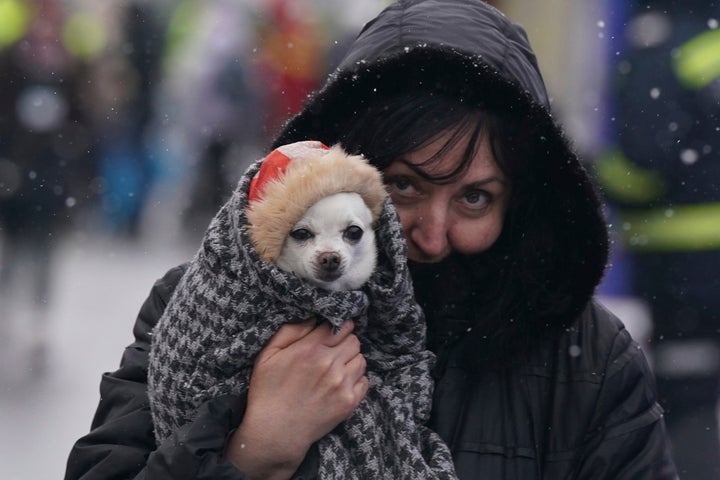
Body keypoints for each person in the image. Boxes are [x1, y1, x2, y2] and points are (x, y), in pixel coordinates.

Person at [64, 1, 678, 479]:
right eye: (405, 187)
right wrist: (254, 452)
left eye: (474, 198)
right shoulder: (202, 308)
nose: (432, 236)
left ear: (519, 205)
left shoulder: (589, 360)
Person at [595, 1, 720, 477]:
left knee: (687, 402)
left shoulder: (663, 46)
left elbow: (641, 165)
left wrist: (588, 175)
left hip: (687, 268)